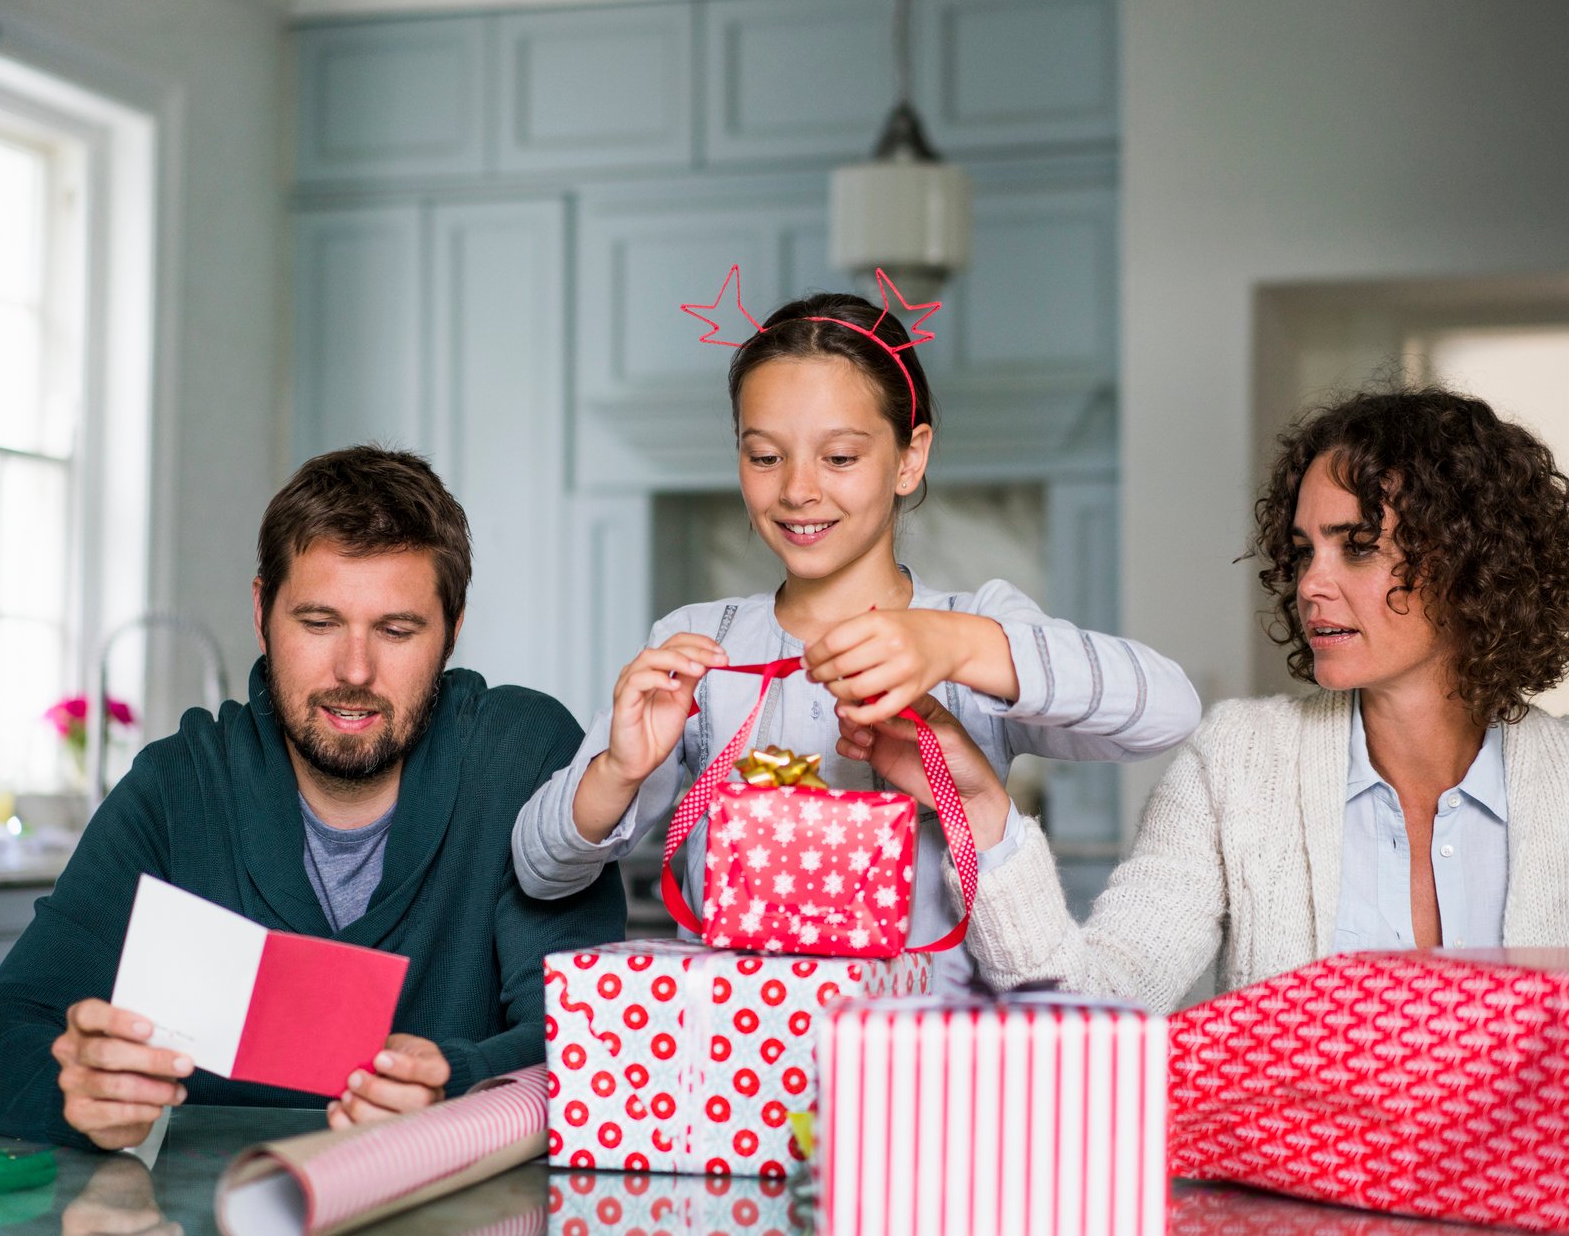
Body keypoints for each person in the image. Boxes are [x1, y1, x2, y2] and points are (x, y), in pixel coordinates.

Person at [845, 389, 1569, 1009]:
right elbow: (1095, 1002)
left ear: (1471, 561)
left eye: (1357, 547)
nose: (1311, 585)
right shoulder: (1238, 761)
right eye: (1303, 551)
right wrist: (981, 807)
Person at [511, 271, 1199, 980]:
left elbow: (1169, 712)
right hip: (738, 1062)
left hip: (919, 1067)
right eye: (764, 456)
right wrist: (620, 769)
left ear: (910, 457)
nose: (797, 489)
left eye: (839, 457)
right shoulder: (699, 642)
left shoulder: (973, 626)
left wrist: (951, 644)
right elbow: (540, 871)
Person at [0, 446, 624, 1149]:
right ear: (263, 610)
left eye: (396, 630)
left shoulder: (522, 757)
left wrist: (457, 1077)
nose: (354, 671)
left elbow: (588, 1044)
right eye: (319, 623)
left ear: (451, 629)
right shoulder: (179, 787)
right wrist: (72, 1088)